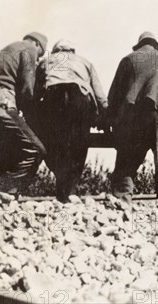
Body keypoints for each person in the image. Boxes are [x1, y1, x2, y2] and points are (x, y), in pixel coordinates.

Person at [108, 32, 158, 203]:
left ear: (139, 45)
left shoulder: (128, 59)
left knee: (127, 160)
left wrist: (110, 120)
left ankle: (123, 199)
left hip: (133, 116)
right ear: (156, 45)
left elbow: (115, 95)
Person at [35, 39, 108, 202]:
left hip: (53, 99)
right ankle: (71, 191)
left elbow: (36, 92)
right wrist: (106, 116)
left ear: (55, 51)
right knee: (79, 145)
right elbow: (100, 95)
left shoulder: (46, 61)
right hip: (79, 99)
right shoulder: (85, 62)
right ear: (72, 51)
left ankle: (62, 184)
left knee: (52, 143)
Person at [0, 32, 47, 197]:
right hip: (4, 101)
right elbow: (27, 87)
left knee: (3, 152)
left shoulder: (10, 48)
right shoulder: (29, 49)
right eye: (39, 56)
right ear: (38, 45)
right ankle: (10, 190)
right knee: (37, 149)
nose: (37, 59)